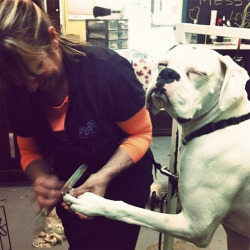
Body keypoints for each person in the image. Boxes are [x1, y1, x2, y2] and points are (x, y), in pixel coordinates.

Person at [0, 0, 154, 249]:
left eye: (37, 69)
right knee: (81, 242)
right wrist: (40, 177)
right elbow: (29, 151)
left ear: (52, 39)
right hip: (71, 182)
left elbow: (141, 134)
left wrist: (104, 175)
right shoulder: (19, 91)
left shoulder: (106, 71)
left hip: (123, 175)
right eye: (20, 80)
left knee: (114, 244)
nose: (31, 87)